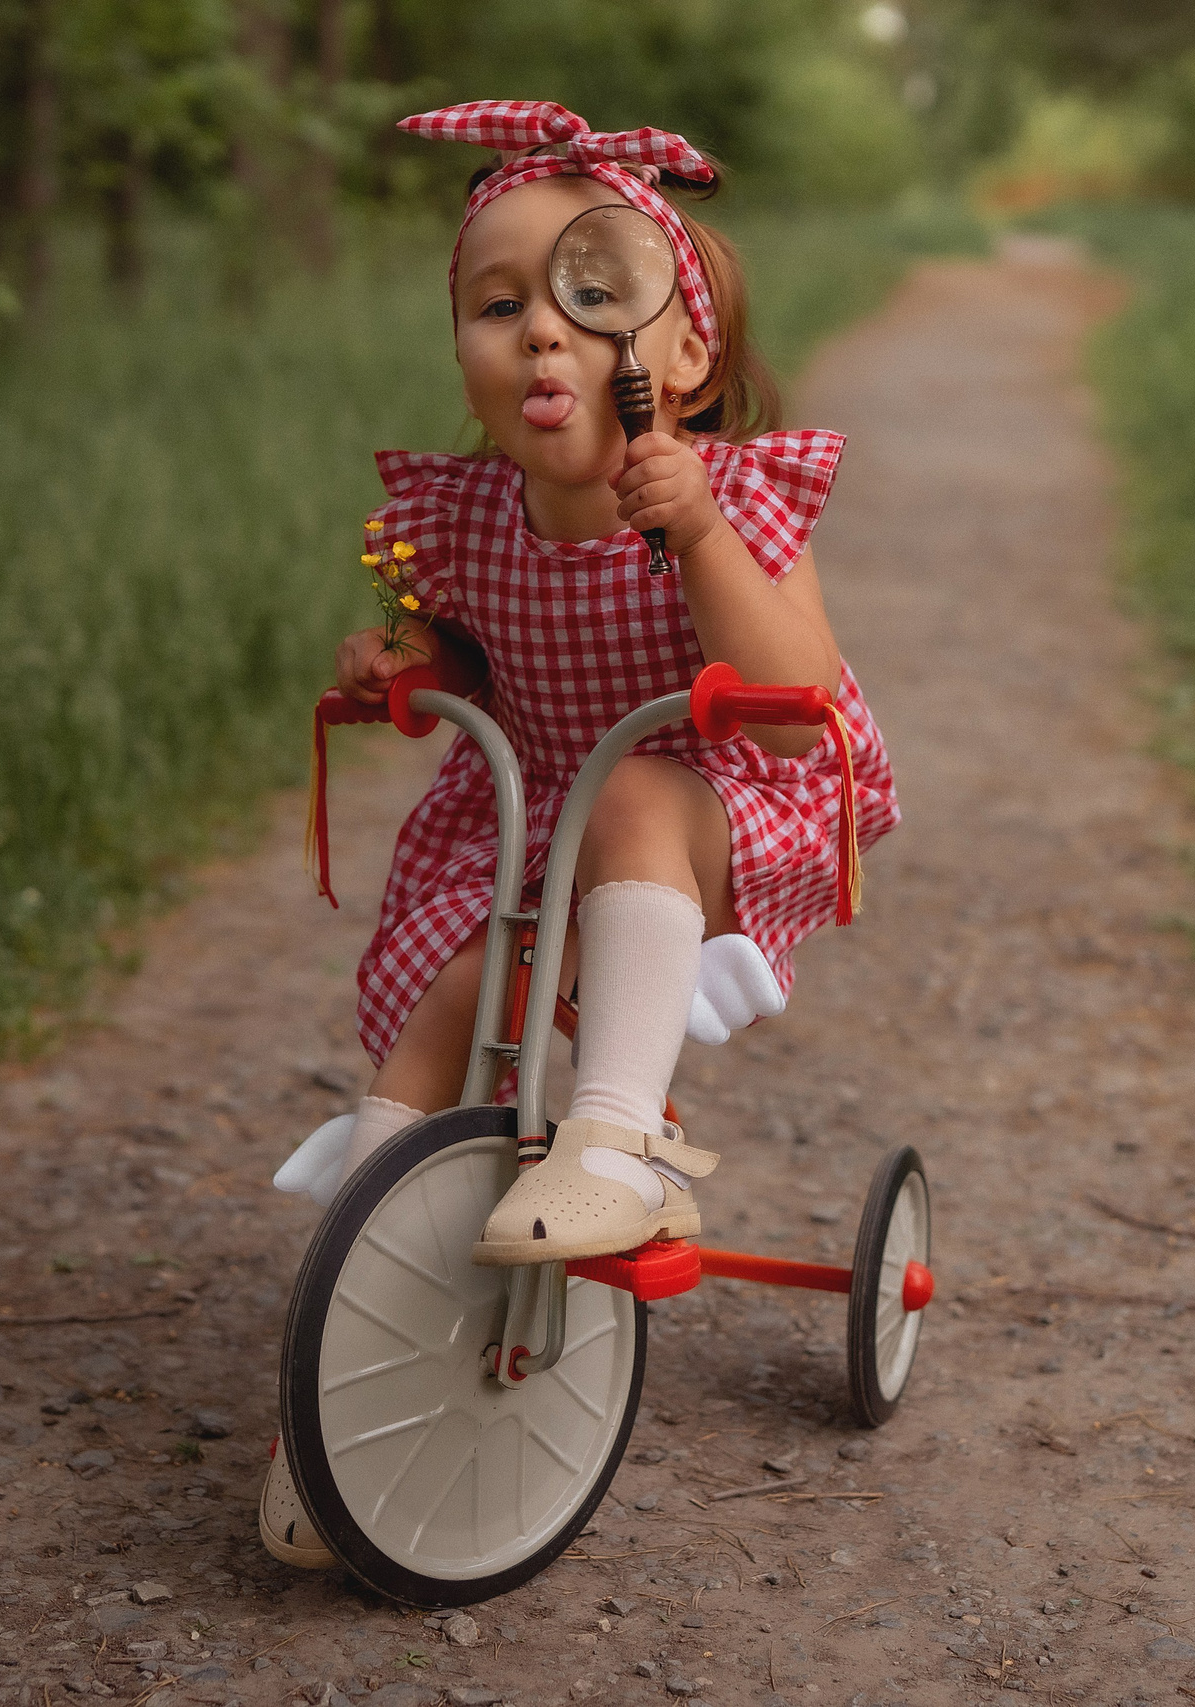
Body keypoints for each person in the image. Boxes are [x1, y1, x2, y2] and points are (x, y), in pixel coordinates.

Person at [259, 100, 899, 1569]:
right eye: (500, 304)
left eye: (590, 295)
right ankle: (356, 1336)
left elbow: (796, 709)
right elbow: (481, 660)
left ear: (686, 359)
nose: (541, 333)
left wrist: (698, 537)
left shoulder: (730, 495)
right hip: (536, 801)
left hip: (718, 790)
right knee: (431, 1027)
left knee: (629, 799)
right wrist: (416, 672)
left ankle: (618, 1134)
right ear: (465, 357)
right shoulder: (466, 517)